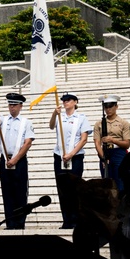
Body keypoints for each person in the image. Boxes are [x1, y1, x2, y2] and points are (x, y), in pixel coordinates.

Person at [0, 92, 36, 230]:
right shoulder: (4, 120)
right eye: (10, 105)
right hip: (5, 158)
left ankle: (20, 222)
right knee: (7, 192)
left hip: (19, 160)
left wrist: (16, 159)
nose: (12, 108)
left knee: (20, 192)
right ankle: (10, 222)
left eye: (15, 105)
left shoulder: (26, 122)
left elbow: (27, 143)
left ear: (21, 106)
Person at [49, 92, 93, 228]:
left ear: (75, 102)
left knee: (75, 189)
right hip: (60, 156)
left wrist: (72, 154)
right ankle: (66, 219)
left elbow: (83, 138)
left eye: (68, 100)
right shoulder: (60, 117)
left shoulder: (81, 118)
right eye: (64, 100)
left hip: (75, 157)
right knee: (62, 189)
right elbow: (51, 126)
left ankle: (76, 219)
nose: (65, 102)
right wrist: (54, 114)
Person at [94, 94, 130, 192]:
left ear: (116, 107)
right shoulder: (99, 124)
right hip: (105, 152)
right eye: (106, 107)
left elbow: (127, 144)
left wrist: (113, 140)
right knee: (106, 183)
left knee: (120, 181)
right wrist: (103, 157)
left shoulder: (123, 123)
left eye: (111, 106)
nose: (108, 109)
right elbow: (97, 142)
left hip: (118, 152)